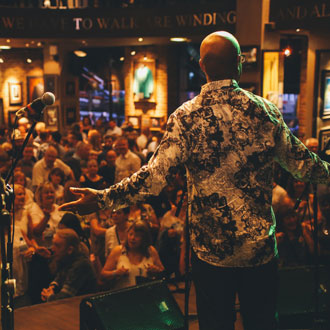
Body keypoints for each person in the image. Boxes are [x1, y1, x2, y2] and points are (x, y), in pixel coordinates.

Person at [59, 31, 330, 330]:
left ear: (202, 66)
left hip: (211, 254)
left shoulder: (186, 117)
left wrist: (102, 198)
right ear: (239, 64)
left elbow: (153, 178)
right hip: (260, 251)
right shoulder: (264, 112)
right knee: (262, 322)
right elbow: (304, 166)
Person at [100, 220, 164, 290]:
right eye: (130, 234)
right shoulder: (118, 251)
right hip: (123, 294)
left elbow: (162, 271)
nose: (132, 238)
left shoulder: (151, 250)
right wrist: (115, 273)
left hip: (146, 293)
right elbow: (103, 275)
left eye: (137, 236)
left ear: (144, 238)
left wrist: (156, 271)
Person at [41, 228, 97, 302]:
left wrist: (49, 296)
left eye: (57, 246)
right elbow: (59, 277)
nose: (52, 249)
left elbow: (64, 298)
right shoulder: (66, 258)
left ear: (70, 249)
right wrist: (52, 287)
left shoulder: (81, 265)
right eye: (53, 244)